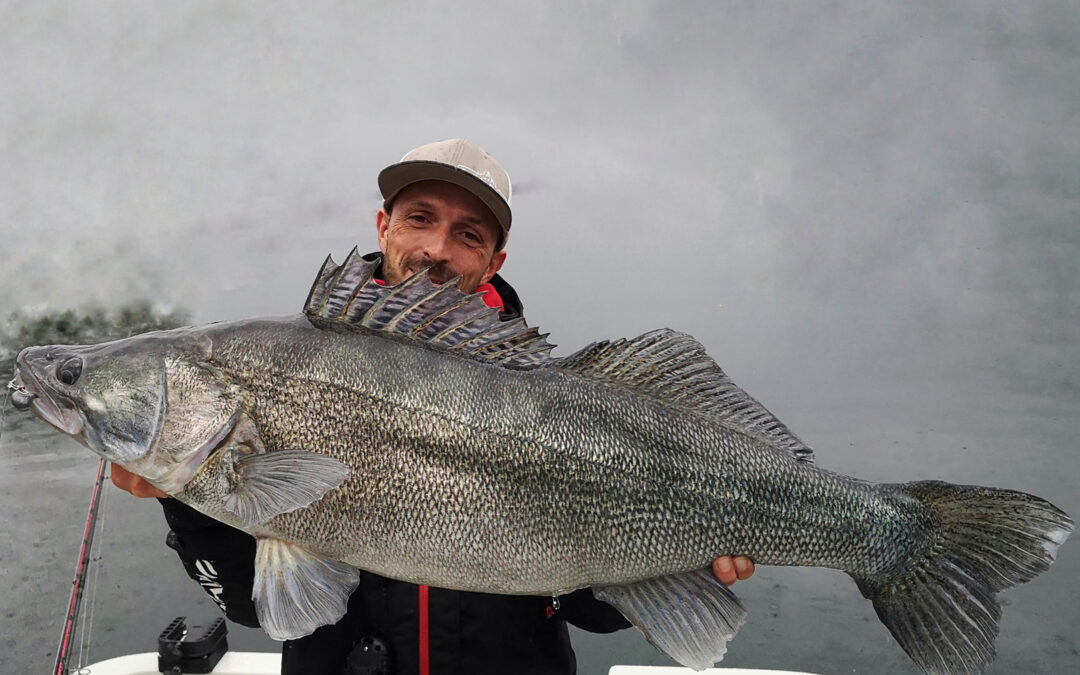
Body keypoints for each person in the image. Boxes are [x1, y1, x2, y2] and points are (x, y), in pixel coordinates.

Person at [111, 139, 755, 674]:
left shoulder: (569, 404)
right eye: (420, 217)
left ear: (494, 259)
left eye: (467, 234)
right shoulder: (278, 364)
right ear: (383, 225)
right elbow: (258, 608)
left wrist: (689, 560)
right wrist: (180, 497)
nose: (437, 249)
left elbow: (589, 611)